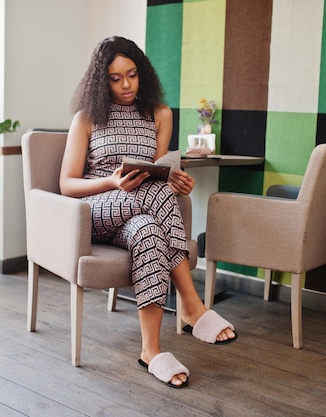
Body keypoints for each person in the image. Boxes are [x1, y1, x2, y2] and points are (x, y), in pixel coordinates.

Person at [59, 36, 237, 388]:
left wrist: (177, 183)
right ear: (101, 80)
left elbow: (159, 173)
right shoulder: (86, 119)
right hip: (96, 209)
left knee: (149, 233)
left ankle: (151, 351)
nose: (126, 85)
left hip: (140, 212)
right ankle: (191, 303)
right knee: (153, 197)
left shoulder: (160, 115)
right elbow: (67, 184)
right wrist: (110, 182)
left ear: (143, 74)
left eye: (132, 74)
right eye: (115, 78)